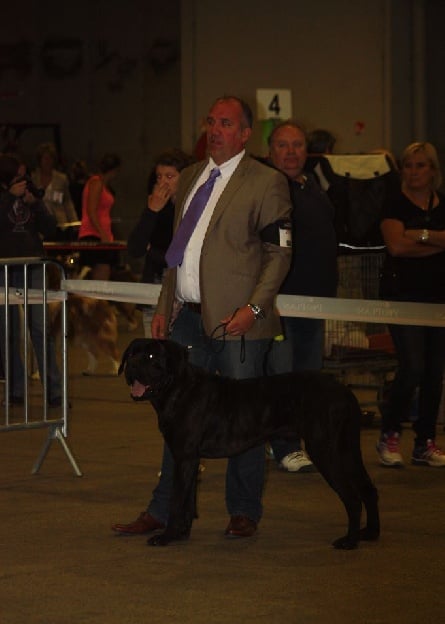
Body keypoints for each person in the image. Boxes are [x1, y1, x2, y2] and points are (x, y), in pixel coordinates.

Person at [112, 95, 292, 539]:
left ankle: (244, 511)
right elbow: (177, 255)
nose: (215, 130)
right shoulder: (190, 177)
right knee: (176, 422)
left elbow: (279, 253)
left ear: (246, 134)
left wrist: (253, 309)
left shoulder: (266, 182)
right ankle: (166, 510)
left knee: (243, 421)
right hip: (187, 320)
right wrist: (164, 308)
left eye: (226, 123)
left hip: (239, 324)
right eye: (211, 122)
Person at [264, 121, 338, 471]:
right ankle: (283, 445)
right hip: (281, 303)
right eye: (283, 145)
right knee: (284, 376)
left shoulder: (313, 187)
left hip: (316, 301)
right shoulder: (265, 188)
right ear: (270, 151)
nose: (291, 152)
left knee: (310, 377)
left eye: (297, 145)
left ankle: (309, 441)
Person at [377, 141, 445, 467]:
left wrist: (416, 234)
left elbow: (408, 241)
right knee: (413, 367)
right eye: (409, 165)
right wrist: (434, 239)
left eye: (421, 165)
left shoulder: (442, 203)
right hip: (402, 296)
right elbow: (396, 247)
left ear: (433, 170)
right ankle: (389, 433)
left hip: (438, 297)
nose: (414, 172)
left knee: (434, 372)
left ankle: (425, 441)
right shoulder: (393, 203)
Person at [0, 153, 62, 406]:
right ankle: (15, 388)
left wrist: (35, 203)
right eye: (18, 175)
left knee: (40, 328)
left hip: (33, 265)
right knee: (7, 331)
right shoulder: (4, 197)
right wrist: (8, 198)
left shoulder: (31, 195)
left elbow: (51, 228)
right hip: (4, 267)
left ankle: (54, 389)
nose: (23, 180)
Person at [127, 149, 194, 336]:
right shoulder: (154, 207)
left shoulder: (193, 208)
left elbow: (182, 255)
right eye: (159, 177)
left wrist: (153, 251)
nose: (163, 182)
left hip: (184, 295)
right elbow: (135, 248)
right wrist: (151, 211)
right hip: (154, 292)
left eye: (170, 176)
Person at [78, 153, 121, 280]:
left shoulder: (103, 185)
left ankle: (98, 299)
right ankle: (97, 300)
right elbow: (91, 211)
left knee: (104, 273)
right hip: (94, 234)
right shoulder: (96, 183)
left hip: (102, 234)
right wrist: (102, 234)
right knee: (101, 275)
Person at [31, 142, 78, 226]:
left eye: (50, 158)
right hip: (38, 223)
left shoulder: (61, 178)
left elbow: (67, 202)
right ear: (40, 160)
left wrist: (74, 222)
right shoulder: (33, 178)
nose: (48, 161)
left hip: (59, 222)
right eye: (45, 158)